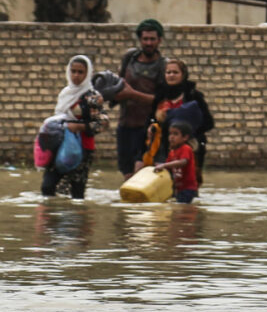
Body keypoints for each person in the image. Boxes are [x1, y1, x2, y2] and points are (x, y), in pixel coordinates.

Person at [41, 55, 109, 199]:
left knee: (76, 193)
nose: (76, 76)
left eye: (80, 72)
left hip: (82, 149)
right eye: (73, 71)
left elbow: (101, 123)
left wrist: (79, 127)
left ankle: (77, 220)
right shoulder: (65, 94)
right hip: (60, 145)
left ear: (87, 74)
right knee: (48, 187)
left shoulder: (93, 97)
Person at [142, 59, 214, 183]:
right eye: (168, 72)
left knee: (188, 183)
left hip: (191, 147)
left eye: (175, 72)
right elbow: (151, 119)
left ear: (183, 75)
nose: (171, 75)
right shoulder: (160, 96)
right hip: (164, 147)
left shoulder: (193, 96)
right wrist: (152, 126)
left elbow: (208, 122)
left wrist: (187, 134)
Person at [115, 18, 167, 180]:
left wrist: (132, 94)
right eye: (145, 39)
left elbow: (162, 101)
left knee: (143, 174)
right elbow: (118, 84)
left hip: (149, 129)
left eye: (152, 39)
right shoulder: (129, 59)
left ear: (159, 40)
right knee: (127, 175)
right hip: (125, 126)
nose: (148, 43)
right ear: (140, 40)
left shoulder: (163, 66)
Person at [153, 121, 199, 204]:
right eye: (170, 134)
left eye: (175, 134)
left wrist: (163, 165)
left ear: (185, 137)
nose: (171, 137)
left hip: (188, 188)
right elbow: (167, 169)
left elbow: (183, 162)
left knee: (183, 209)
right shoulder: (172, 152)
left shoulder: (186, 148)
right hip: (178, 187)